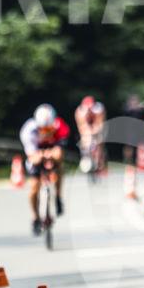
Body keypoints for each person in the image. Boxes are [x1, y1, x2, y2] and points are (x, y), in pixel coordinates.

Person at [19, 104, 70, 235]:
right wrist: (42, 155)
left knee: (59, 166)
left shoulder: (60, 126)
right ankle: (35, 217)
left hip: (52, 151)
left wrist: (51, 155)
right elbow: (33, 157)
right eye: (43, 129)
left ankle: (58, 197)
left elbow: (59, 153)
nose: (46, 132)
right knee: (34, 188)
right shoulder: (28, 131)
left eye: (49, 129)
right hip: (36, 152)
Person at [74, 96, 106, 175]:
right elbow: (81, 126)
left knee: (100, 140)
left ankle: (100, 162)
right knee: (85, 139)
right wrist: (88, 133)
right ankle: (85, 156)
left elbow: (100, 124)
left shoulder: (99, 109)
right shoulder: (79, 112)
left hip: (96, 127)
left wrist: (95, 130)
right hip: (86, 129)